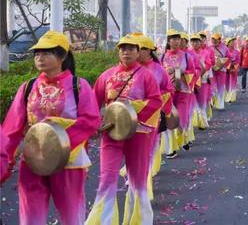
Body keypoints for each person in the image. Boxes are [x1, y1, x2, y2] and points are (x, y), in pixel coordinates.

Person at [1, 31, 100, 225]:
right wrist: (4, 163)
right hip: (32, 161)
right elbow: (11, 129)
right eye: (37, 54)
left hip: (68, 162)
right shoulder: (28, 87)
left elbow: (91, 120)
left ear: (62, 56)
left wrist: (57, 144)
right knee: (30, 218)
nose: (40, 57)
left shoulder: (78, 86)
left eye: (46, 53)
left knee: (71, 217)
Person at [87, 35, 162, 225]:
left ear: (138, 52)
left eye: (130, 48)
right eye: (122, 48)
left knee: (137, 180)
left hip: (138, 133)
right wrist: (95, 123)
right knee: (106, 178)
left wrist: (132, 108)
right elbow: (92, 104)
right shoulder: (106, 76)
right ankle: (103, 221)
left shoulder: (147, 75)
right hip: (111, 134)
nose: (126, 52)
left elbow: (156, 102)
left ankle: (139, 220)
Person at [133, 33, 174, 200]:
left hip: (151, 116)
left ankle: (143, 179)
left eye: (140, 48)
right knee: (133, 149)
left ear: (150, 51)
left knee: (148, 150)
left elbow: (168, 89)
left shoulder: (158, 70)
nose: (137, 52)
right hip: (130, 117)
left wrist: (155, 99)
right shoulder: (130, 69)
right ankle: (134, 176)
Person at [161, 29, 196, 157]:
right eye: (173, 39)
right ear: (168, 41)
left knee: (181, 118)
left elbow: (193, 73)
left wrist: (182, 72)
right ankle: (171, 148)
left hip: (183, 91)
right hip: (168, 93)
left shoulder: (187, 56)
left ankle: (184, 138)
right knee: (169, 119)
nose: (176, 41)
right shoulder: (163, 56)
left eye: (178, 39)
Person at [189, 34, 211, 129]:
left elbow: (208, 64)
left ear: (201, 42)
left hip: (202, 80)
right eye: (193, 41)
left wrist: (201, 72)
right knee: (193, 102)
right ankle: (196, 121)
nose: (195, 43)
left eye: (197, 41)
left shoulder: (205, 52)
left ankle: (202, 123)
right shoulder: (188, 53)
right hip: (191, 81)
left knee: (202, 101)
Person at [211, 33, 230, 110]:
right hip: (212, 70)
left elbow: (229, 57)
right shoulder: (209, 48)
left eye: (216, 40)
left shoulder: (224, 48)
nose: (214, 41)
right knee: (212, 87)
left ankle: (220, 104)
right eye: (213, 40)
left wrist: (222, 65)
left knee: (221, 87)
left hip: (221, 70)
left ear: (219, 39)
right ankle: (212, 102)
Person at [225, 37, 240, 103]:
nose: (233, 43)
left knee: (233, 83)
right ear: (227, 44)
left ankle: (232, 97)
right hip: (225, 69)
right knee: (226, 83)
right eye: (231, 42)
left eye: (233, 42)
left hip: (233, 69)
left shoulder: (236, 51)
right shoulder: (225, 51)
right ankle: (226, 96)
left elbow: (238, 60)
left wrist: (233, 63)